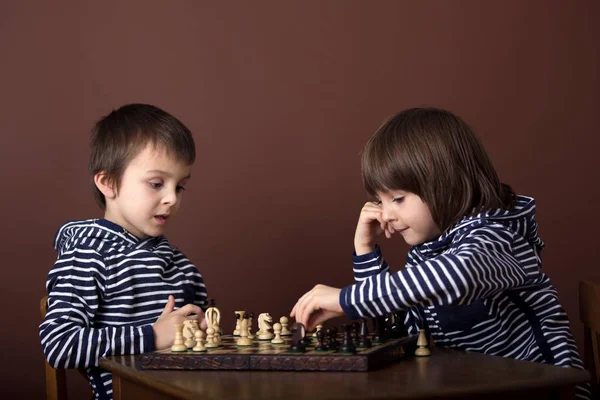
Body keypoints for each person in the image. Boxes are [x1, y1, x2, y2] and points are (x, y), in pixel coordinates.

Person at [291, 107, 590, 399]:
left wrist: (346, 299)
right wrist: (365, 251)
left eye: (397, 198)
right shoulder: (429, 251)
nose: (386, 214)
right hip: (481, 386)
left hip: (546, 387)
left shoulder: (499, 236)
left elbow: (456, 275)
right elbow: (401, 330)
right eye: (379, 201)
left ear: (447, 183)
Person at [39, 104, 208, 400]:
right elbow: (59, 345)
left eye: (180, 187)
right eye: (156, 184)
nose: (171, 198)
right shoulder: (88, 255)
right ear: (108, 183)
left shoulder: (181, 265)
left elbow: (203, 331)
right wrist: (153, 336)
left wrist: (204, 328)